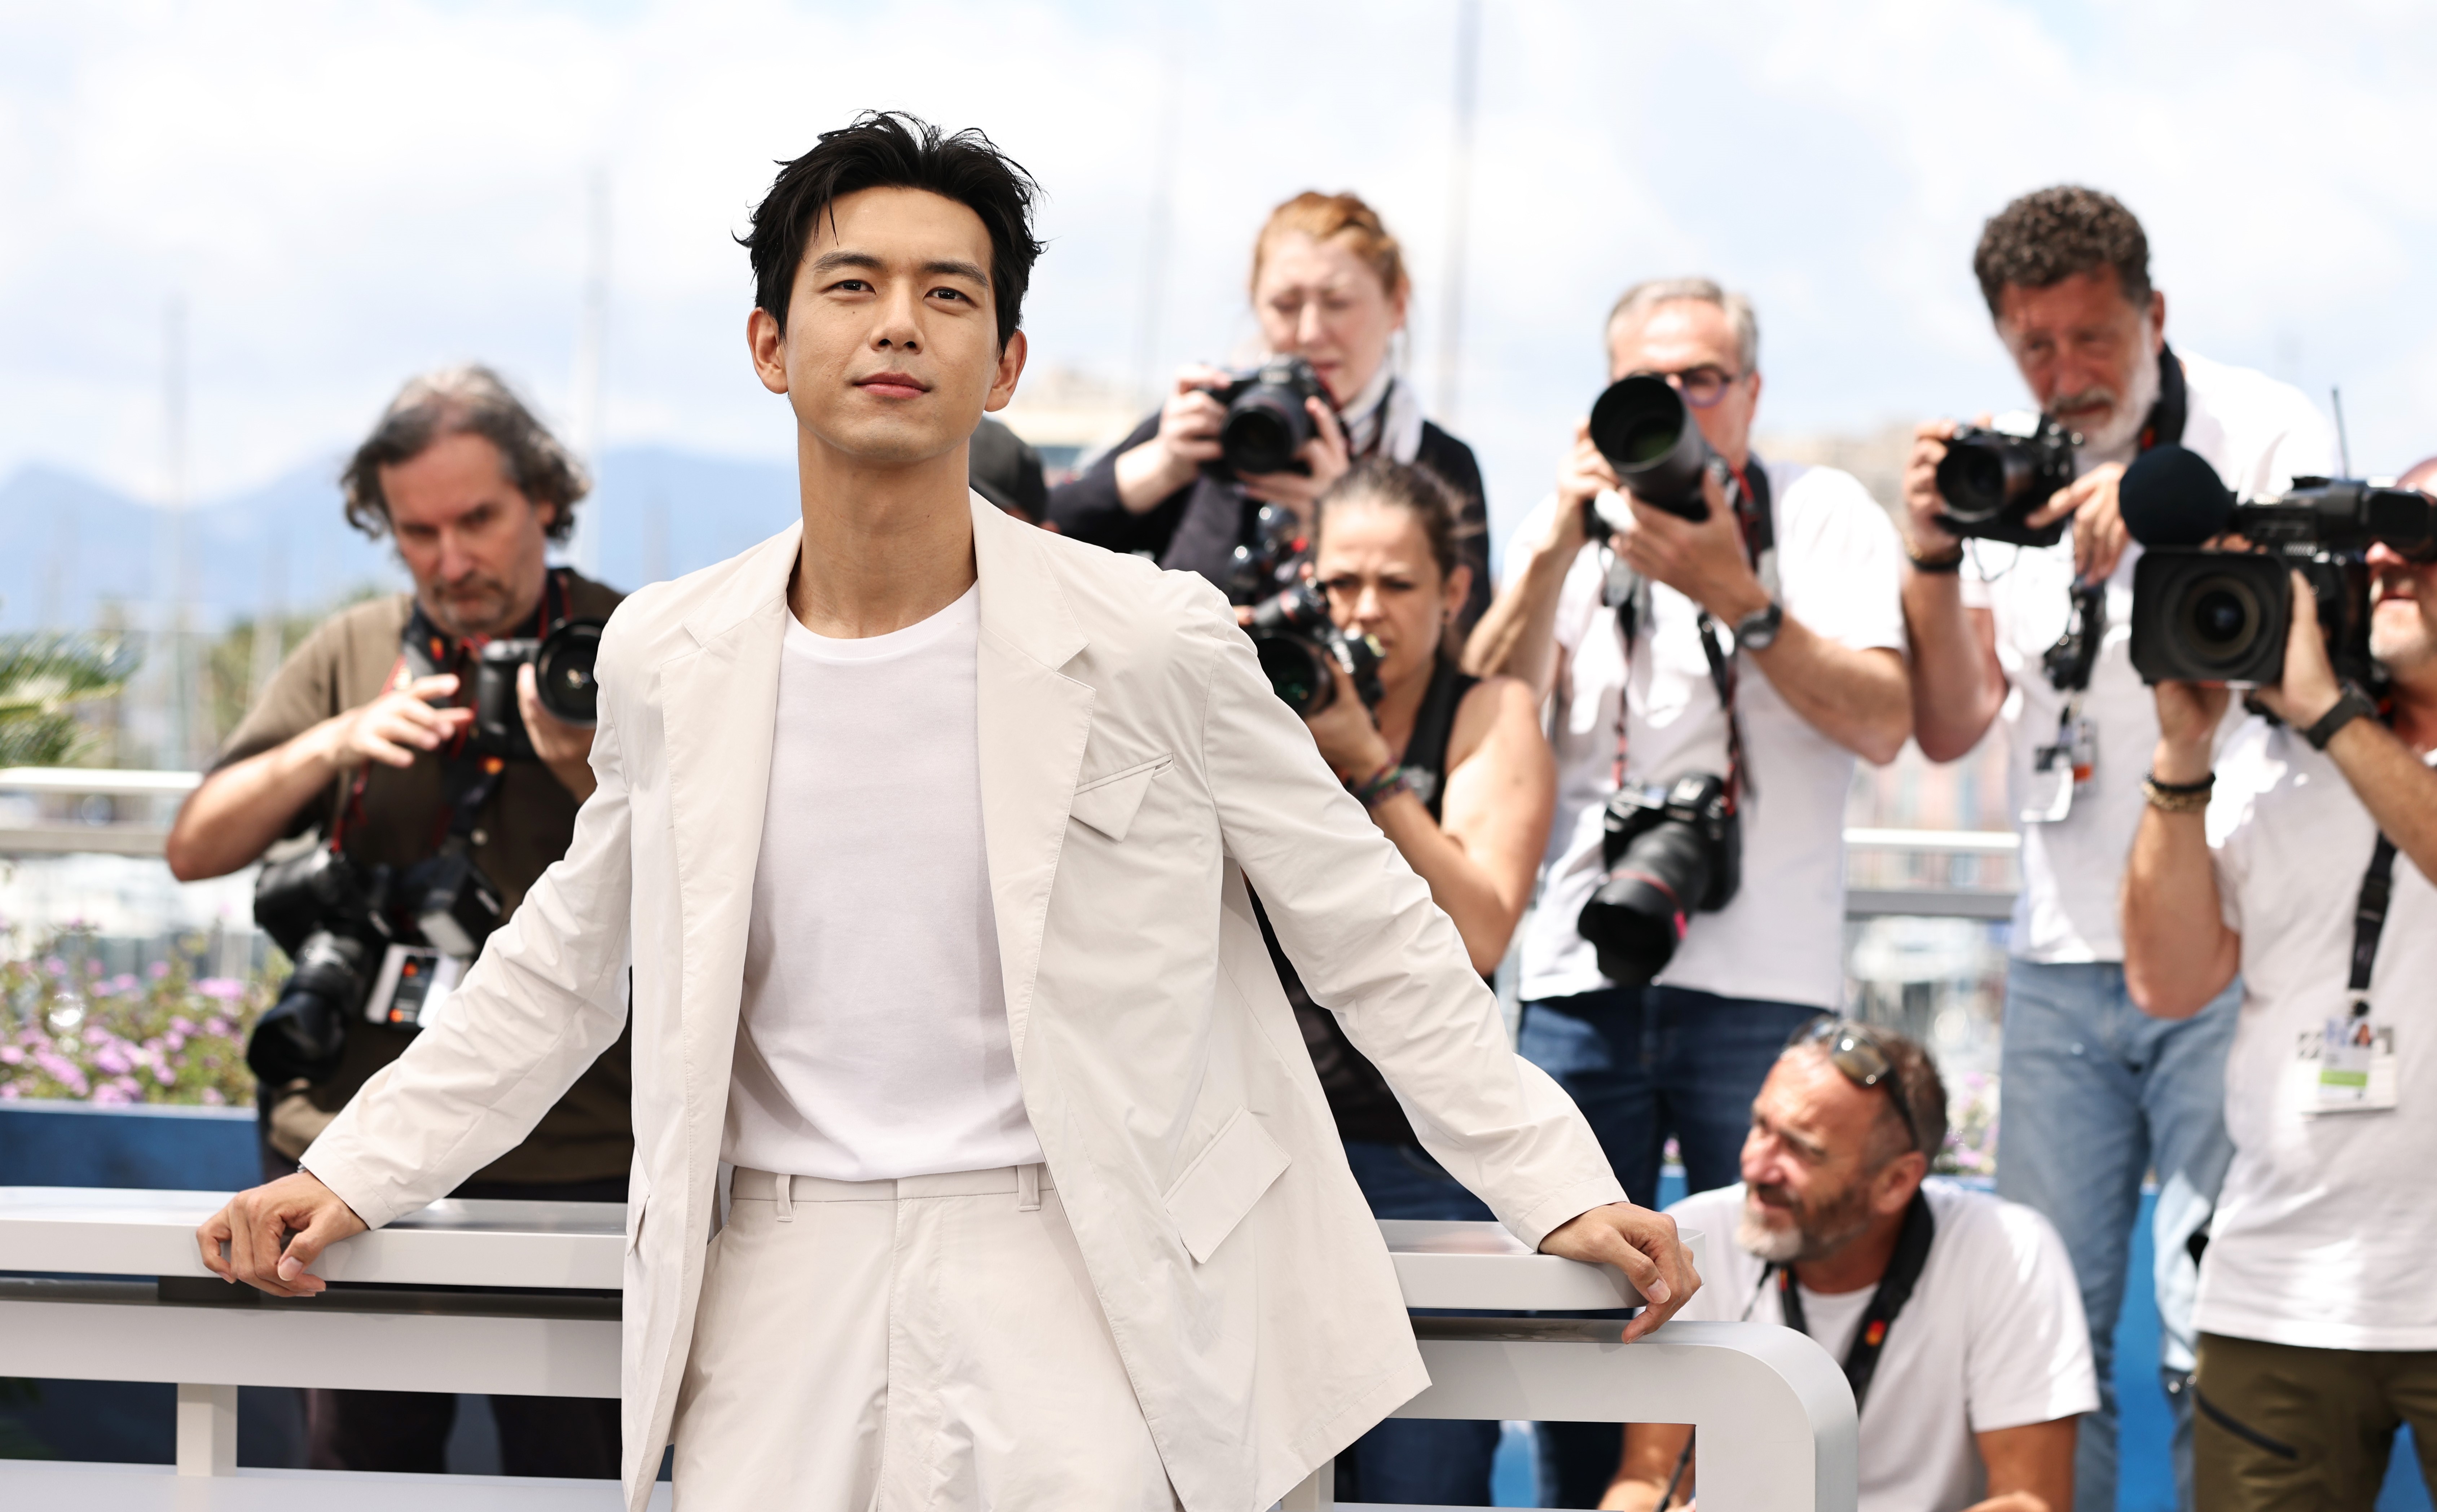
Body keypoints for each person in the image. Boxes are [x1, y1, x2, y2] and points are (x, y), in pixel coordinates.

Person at [192, 111, 1698, 1512]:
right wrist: (353, 1168)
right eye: (853, 284)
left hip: (1094, 1270)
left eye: (948, 293)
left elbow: (1368, 930)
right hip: (775, 1276)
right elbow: (562, 965)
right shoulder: (674, 650)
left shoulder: (1153, 634)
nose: (900, 321)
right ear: (773, 345)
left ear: (1009, 360)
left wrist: (1556, 1184)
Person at [1896, 186, 2334, 1512]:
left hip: (2232, 946)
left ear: (2154, 315)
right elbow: (1952, 719)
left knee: (2216, 1316)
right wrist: (1929, 559)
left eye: (2092, 339)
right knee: (2045, 1335)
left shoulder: (2260, 427)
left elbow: (2318, 651)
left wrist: (2169, 518)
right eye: (2033, 348)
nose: (2065, 376)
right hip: (2057, 957)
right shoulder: (2007, 471)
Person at [1466, 277, 1910, 1506]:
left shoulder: (1813, 515)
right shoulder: (1570, 528)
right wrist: (1556, 542)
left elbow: (1884, 723)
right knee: (1574, 1323)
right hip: (1576, 980)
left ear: (1750, 396)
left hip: (1760, 994)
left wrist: (1736, 592)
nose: (1675, 405)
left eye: (1702, 381)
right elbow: (1481, 708)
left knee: (1765, 1316)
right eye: (1644, 386)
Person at [162, 366, 630, 1478]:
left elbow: (720, 890)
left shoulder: (627, 644)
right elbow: (195, 846)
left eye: (478, 519)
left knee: (580, 1476)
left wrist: (585, 768)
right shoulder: (355, 650)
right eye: (416, 531)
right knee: (355, 1473)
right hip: (340, 1148)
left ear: (546, 503)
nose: (451, 559)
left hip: (574, 1152)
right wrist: (338, 740)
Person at [2121, 458, 2437, 1509]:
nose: (2389, 561)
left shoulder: (2314, 718)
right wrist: (2179, 753)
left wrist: (2325, 710)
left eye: (2421, 536)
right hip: (2276, 1291)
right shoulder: (2265, 755)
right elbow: (2166, 979)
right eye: (2376, 545)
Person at [1276, 458, 1556, 1505]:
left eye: (1395, 586)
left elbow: (1479, 929)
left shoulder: (1491, 715)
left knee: (1421, 1483)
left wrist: (1368, 768)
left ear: (1452, 592)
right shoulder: (1265, 702)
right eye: (1341, 585)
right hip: (1274, 1149)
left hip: (1421, 1155)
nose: (1364, 612)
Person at [1601, 1021, 2095, 1512]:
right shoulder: (1694, 1237)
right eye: (1760, 1126)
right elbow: (1649, 1480)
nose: (1756, 1166)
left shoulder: (2007, 1249)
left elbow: (2029, 1501)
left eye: (1801, 1148)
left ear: (1896, 1182)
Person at [1044, 191, 1492, 630]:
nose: (1311, 332)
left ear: (1396, 305)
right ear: (1254, 302)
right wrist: (1162, 465)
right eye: (1285, 305)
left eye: (1338, 304)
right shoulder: (1213, 429)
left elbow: (1461, 646)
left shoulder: (1436, 463)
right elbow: (1030, 547)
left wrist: (1339, 525)